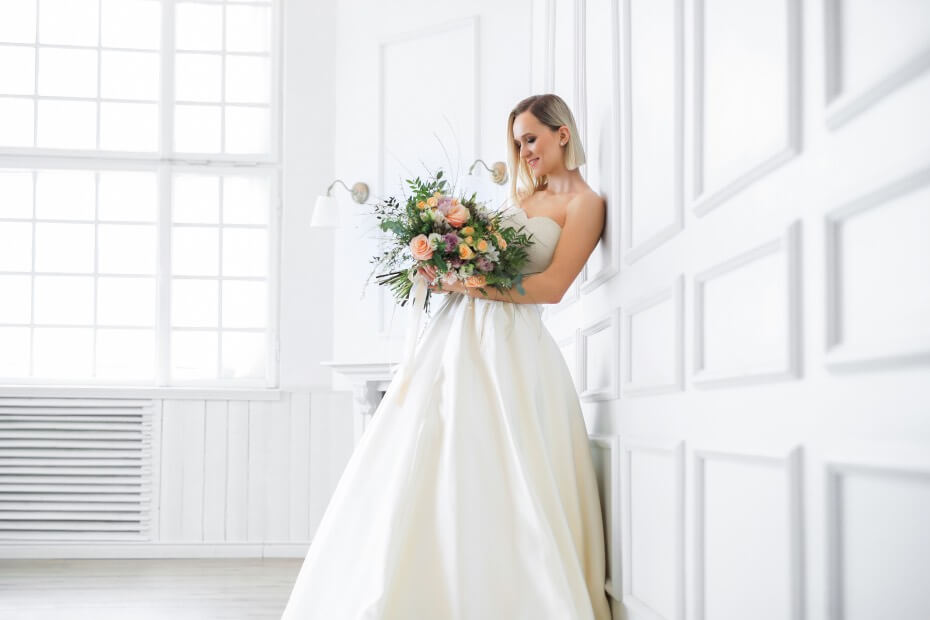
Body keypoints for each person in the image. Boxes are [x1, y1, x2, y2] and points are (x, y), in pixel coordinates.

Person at [280, 93, 611, 620]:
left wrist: (469, 280)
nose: (523, 151)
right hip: (455, 335)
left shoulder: (585, 203)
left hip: (513, 346)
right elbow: (483, 263)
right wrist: (447, 264)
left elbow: (551, 287)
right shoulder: (523, 197)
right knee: (426, 450)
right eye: (518, 141)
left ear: (561, 134)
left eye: (531, 138)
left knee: (501, 461)